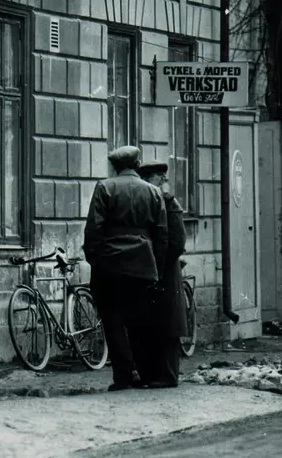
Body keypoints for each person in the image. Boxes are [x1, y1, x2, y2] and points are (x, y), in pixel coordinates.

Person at [83, 146, 168, 391]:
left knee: (113, 321)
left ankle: (123, 376)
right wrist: (157, 268)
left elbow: (93, 230)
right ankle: (145, 374)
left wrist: (96, 260)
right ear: (137, 163)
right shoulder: (153, 192)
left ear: (115, 166)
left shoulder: (104, 188)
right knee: (140, 322)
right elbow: (162, 234)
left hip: (110, 266)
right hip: (143, 264)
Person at [135, 160, 187, 388]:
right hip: (146, 271)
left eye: (156, 180)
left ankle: (167, 376)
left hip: (165, 272)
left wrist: (158, 263)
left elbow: (177, 242)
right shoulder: (144, 202)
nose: (155, 184)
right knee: (147, 323)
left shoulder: (169, 203)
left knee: (168, 325)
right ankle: (149, 375)